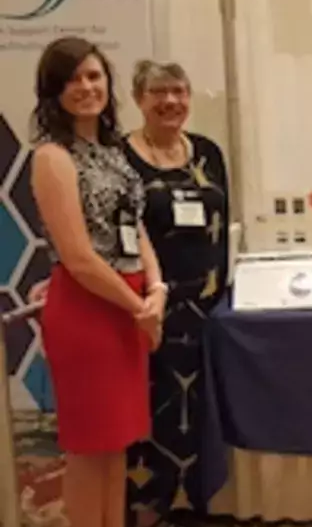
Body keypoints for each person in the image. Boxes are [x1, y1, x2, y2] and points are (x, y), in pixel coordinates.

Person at [29, 37, 166, 527]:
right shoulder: (52, 157)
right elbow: (80, 258)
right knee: (89, 450)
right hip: (90, 311)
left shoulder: (111, 152)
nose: (86, 87)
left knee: (117, 446)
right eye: (72, 79)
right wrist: (138, 306)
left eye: (94, 76)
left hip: (127, 305)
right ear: (53, 91)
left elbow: (137, 227)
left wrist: (158, 290)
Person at [121, 60, 230, 526]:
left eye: (179, 91)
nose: (170, 101)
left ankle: (196, 506)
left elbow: (224, 228)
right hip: (147, 307)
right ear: (138, 99)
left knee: (199, 409)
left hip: (205, 309)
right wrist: (145, 300)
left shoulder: (208, 152)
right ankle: (148, 508)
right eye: (158, 92)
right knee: (151, 408)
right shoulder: (119, 156)